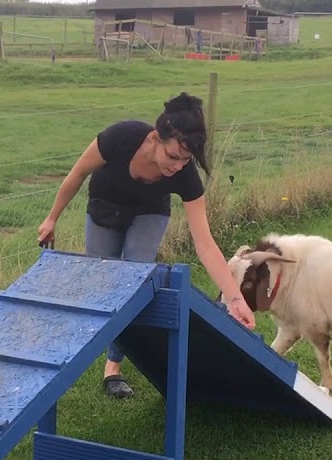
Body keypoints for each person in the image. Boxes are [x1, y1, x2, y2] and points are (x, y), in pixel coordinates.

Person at [36, 92, 257, 400]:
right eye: (173, 156)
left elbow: (205, 244)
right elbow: (78, 173)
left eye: (186, 160)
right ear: (155, 137)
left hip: (150, 212)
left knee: (134, 279)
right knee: (102, 282)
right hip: (105, 205)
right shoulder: (120, 137)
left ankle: (113, 367)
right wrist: (51, 219)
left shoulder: (186, 177)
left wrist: (234, 298)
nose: (178, 166)